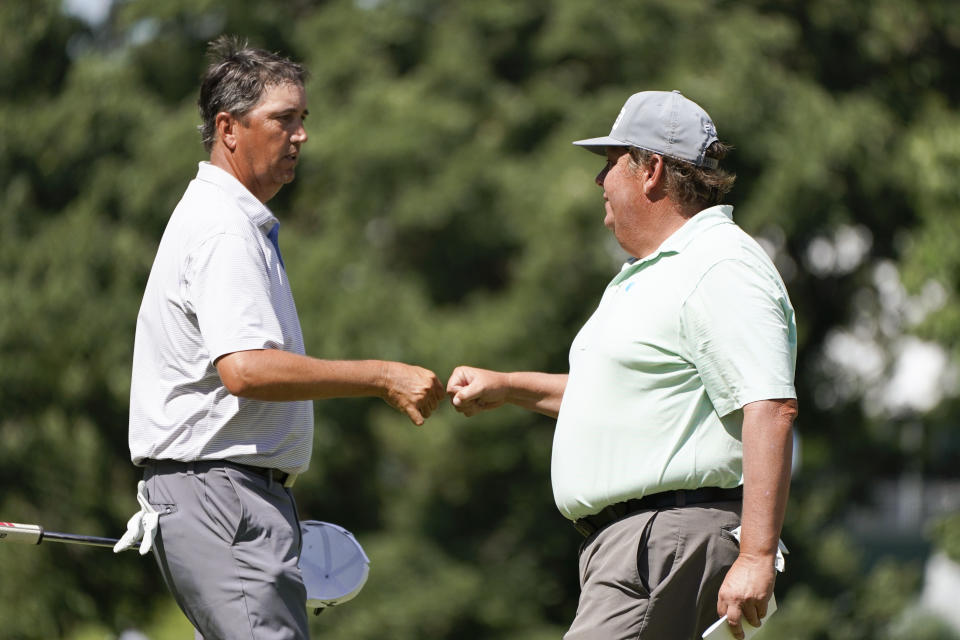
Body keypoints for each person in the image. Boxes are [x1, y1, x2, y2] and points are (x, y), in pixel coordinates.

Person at [117, 36, 444, 640]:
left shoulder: (230, 221)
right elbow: (247, 370)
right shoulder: (223, 229)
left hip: (222, 496)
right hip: (221, 496)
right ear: (229, 128)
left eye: (303, 119)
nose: (301, 135)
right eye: (283, 120)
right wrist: (382, 376)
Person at [447, 90, 798, 640]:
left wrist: (756, 554)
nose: (599, 182)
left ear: (652, 170)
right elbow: (625, 396)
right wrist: (510, 387)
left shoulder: (719, 264)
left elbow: (770, 405)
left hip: (662, 542)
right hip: (638, 547)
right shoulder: (660, 270)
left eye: (610, 164)